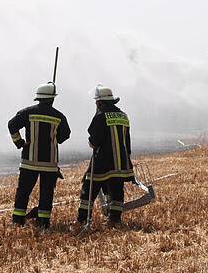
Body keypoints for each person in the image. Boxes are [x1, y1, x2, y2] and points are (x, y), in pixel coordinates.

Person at [7, 82, 71, 230]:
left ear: (38, 98)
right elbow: (66, 134)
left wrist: (19, 142)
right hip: (49, 164)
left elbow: (11, 124)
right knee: (46, 194)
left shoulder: (28, 112)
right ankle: (43, 222)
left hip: (29, 162)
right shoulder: (59, 116)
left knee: (23, 192)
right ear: (52, 99)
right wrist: (55, 139)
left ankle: (17, 221)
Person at [76, 85, 134, 227]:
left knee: (88, 189)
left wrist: (91, 143)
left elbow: (94, 141)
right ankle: (114, 219)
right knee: (116, 191)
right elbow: (127, 140)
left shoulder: (100, 115)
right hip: (120, 162)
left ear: (99, 102)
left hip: (103, 161)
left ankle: (82, 219)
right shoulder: (123, 115)